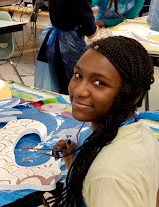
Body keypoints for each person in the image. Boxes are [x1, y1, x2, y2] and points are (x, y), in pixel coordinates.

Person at [54, 36, 159, 207]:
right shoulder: (143, 132)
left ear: (134, 95)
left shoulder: (106, 177)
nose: (79, 90)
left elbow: (108, 179)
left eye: (99, 83)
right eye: (78, 75)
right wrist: (75, 160)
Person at [34, 0, 114, 94]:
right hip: (67, 43)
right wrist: (97, 31)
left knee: (58, 79)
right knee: (72, 80)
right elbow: (90, 31)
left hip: (54, 37)